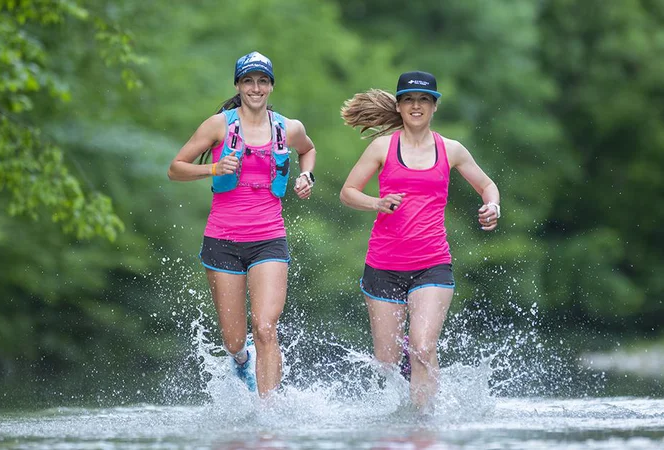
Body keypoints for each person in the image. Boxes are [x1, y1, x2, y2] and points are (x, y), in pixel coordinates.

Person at [339, 71, 500, 408]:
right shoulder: (382, 146)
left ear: (434, 106)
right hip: (383, 265)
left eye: (424, 100)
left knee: (423, 347)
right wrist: (376, 203)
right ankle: (409, 406)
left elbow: (486, 185)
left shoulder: (451, 150)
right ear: (398, 106)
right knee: (387, 361)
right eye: (409, 99)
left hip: (432, 265)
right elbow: (348, 192)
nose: (416, 105)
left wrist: (492, 205)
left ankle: (423, 425)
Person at [167, 51, 317, 397]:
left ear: (271, 86)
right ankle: (240, 360)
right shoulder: (218, 125)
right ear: (238, 84)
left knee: (265, 327)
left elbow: (308, 150)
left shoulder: (288, 128)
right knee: (234, 340)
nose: (255, 87)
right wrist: (214, 169)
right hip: (223, 240)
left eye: (262, 81)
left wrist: (307, 175)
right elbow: (175, 169)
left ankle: (269, 414)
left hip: (269, 240)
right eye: (248, 81)